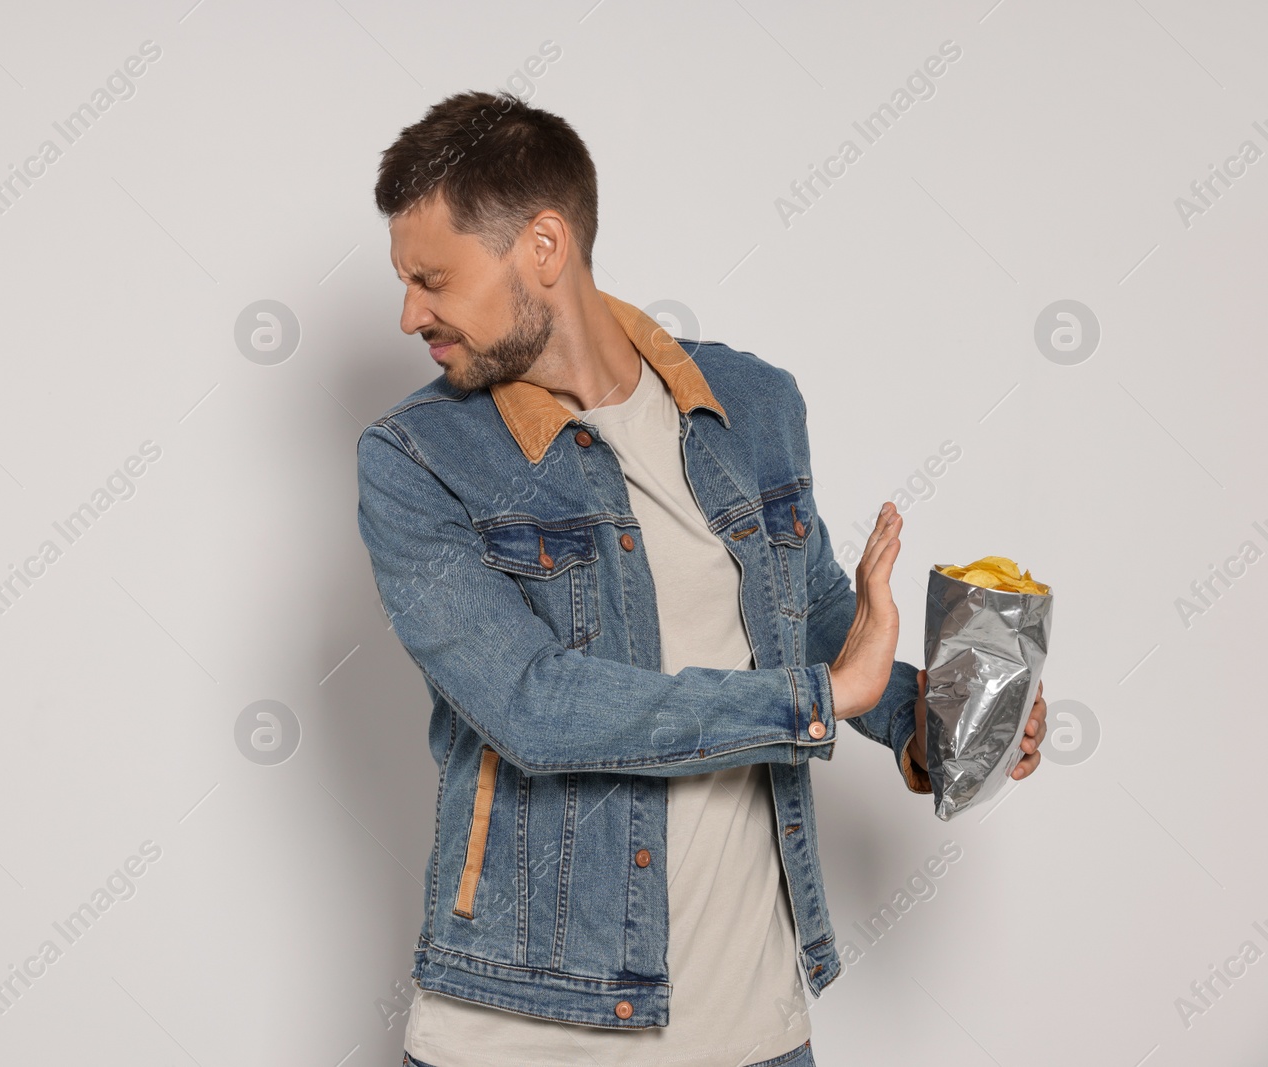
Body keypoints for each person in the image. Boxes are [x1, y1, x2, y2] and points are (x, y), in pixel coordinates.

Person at [356, 90, 1046, 1067]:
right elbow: (533, 703)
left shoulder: (751, 403)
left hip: (749, 1023)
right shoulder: (417, 458)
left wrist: (944, 715)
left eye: (433, 279)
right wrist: (814, 697)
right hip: (522, 1026)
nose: (406, 313)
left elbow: (801, 617)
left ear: (543, 247)